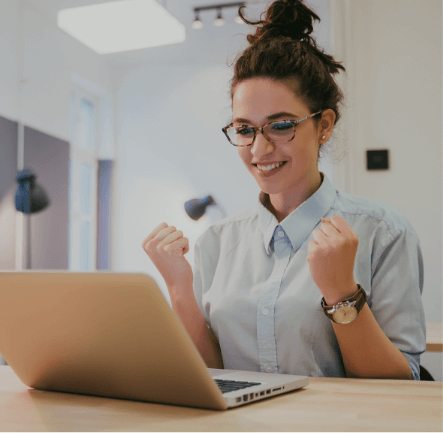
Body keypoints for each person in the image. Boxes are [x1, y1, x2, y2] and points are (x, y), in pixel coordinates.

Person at [142, 0, 425, 380]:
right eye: (244, 129)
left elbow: (400, 386)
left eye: (280, 126)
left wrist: (341, 294)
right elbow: (213, 375)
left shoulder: (383, 232)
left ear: (324, 125)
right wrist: (178, 288)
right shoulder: (216, 242)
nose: (259, 150)